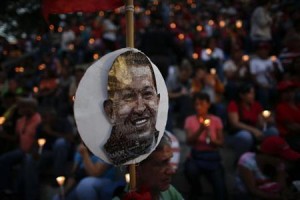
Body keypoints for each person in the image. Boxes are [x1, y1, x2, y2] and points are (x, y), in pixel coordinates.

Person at [103, 50, 160, 165]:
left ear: (158, 101)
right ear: (110, 111)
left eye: (147, 94)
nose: (140, 108)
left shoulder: (163, 147)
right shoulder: (113, 153)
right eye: (129, 96)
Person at [113, 133, 183, 200]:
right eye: (161, 164)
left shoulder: (169, 192)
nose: (171, 171)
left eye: (168, 161)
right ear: (136, 170)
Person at [184, 92, 227, 200]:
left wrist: (211, 139)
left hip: (212, 156)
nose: (198, 107)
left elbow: (221, 143)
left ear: (208, 104)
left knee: (220, 187)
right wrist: (200, 129)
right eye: (196, 104)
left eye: (202, 104)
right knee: (190, 170)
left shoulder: (216, 120)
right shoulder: (190, 120)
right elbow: (189, 141)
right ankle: (196, 190)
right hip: (196, 156)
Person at [0, 97, 41, 200]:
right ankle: (6, 188)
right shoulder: (20, 121)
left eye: (24, 107)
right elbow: (16, 138)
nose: (21, 109)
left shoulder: (38, 119)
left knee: (25, 166)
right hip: (21, 150)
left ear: (31, 108)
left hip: (32, 152)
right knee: (4, 159)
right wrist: (4, 135)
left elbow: (39, 139)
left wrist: (32, 152)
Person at [226, 83, 279, 161]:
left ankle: (267, 159)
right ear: (241, 95)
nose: (253, 95)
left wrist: (265, 120)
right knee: (245, 136)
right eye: (250, 93)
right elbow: (235, 123)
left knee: (273, 131)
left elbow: (260, 123)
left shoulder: (256, 105)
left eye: (253, 93)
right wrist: (254, 130)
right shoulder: (234, 104)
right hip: (238, 133)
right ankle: (241, 161)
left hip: (255, 131)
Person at [52, 142, 117, 200]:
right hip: (81, 181)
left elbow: (95, 173)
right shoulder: (80, 151)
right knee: (57, 198)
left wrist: (84, 154)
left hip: (104, 181)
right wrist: (64, 193)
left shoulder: (106, 150)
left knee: (85, 185)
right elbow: (74, 174)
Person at [275, 80, 300, 152]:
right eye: (286, 91)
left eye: (292, 91)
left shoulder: (297, 106)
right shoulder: (281, 107)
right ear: (281, 94)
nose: (290, 93)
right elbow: (292, 126)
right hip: (289, 138)